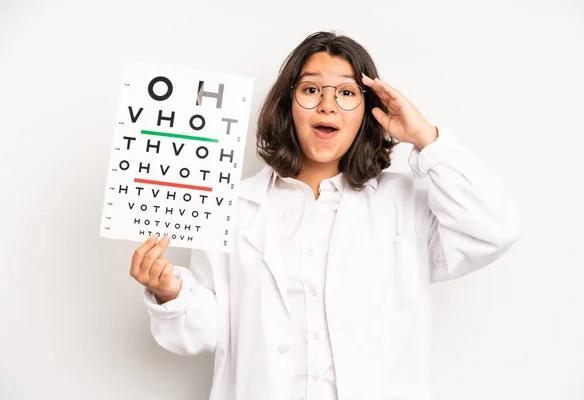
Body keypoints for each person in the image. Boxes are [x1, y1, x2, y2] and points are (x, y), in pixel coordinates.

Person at [129, 31, 521, 400]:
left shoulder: (407, 205)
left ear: (369, 111)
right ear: (288, 105)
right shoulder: (233, 208)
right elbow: (207, 332)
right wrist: (170, 293)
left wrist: (424, 137)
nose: (327, 104)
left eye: (347, 92)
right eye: (311, 89)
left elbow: (493, 229)